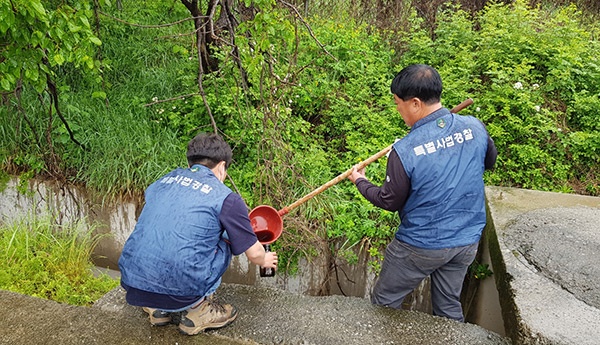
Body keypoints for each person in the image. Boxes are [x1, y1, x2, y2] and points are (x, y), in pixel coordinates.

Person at [348, 64, 497, 322]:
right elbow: (489, 162)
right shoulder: (474, 127)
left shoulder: (405, 150)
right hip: (465, 241)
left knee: (383, 305)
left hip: (419, 245)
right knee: (449, 307)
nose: (398, 110)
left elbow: (388, 200)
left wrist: (360, 181)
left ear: (415, 103)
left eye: (398, 103)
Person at [118, 132, 278, 335]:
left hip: (135, 285)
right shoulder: (226, 198)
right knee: (227, 235)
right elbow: (254, 254)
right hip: (181, 293)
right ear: (221, 166)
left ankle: (158, 310)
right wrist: (264, 259)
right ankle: (198, 310)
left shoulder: (164, 181)